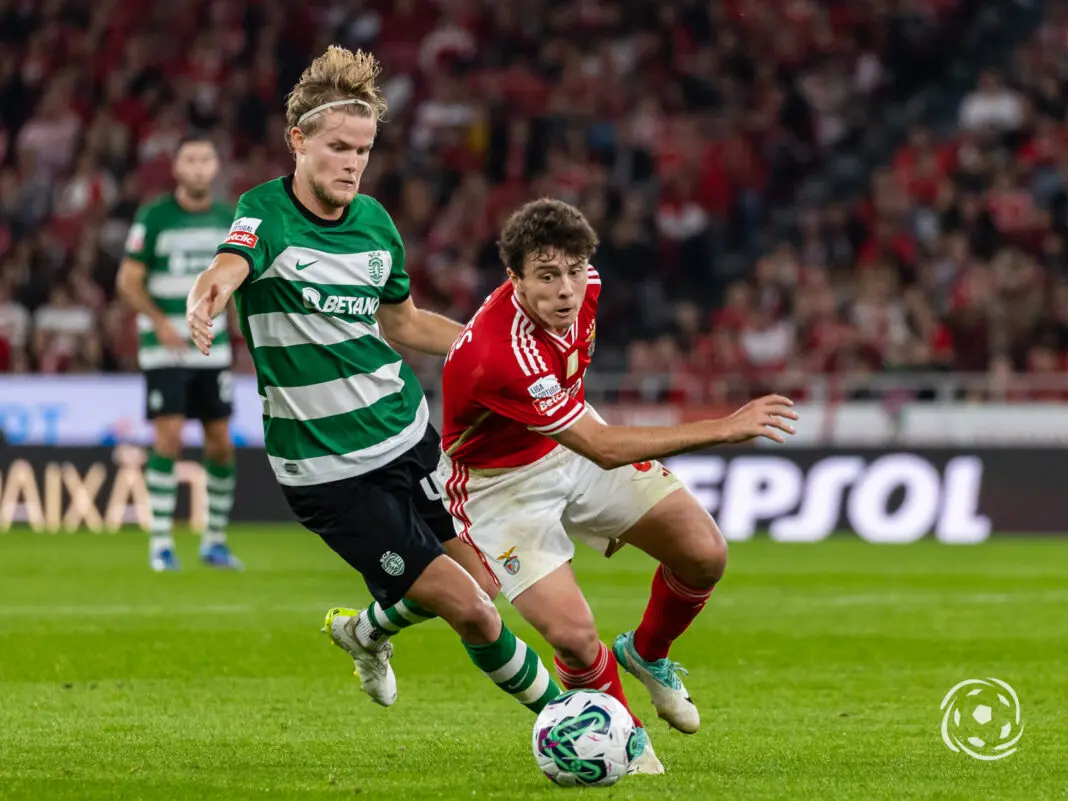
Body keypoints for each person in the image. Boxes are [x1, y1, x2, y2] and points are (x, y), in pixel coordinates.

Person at [184, 45, 561, 718]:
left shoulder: (375, 225)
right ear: (297, 141)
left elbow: (405, 323)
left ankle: (365, 631)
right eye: (338, 147)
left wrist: (502, 345)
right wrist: (205, 295)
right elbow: (228, 265)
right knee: (471, 610)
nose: (353, 162)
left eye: (363, 149)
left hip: (407, 435)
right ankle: (571, 719)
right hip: (328, 473)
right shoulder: (265, 213)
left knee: (481, 582)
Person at [438, 198, 799, 772]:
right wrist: (725, 428)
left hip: (567, 439)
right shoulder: (499, 354)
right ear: (515, 279)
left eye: (574, 272)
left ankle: (648, 653)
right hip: (498, 488)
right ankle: (623, 744)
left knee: (704, 553)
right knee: (576, 641)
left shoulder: (588, 285)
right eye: (547, 276)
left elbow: (589, 441)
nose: (565, 290)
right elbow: (603, 450)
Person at [117, 133, 242, 572]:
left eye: (206, 159)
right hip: (164, 349)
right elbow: (129, 280)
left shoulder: (231, 219)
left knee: (221, 444)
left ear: (215, 166)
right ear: (176, 168)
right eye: (190, 159)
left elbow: (240, 281)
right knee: (168, 437)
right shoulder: (155, 216)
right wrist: (161, 321)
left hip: (214, 348)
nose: (198, 167)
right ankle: (161, 543)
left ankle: (214, 541)